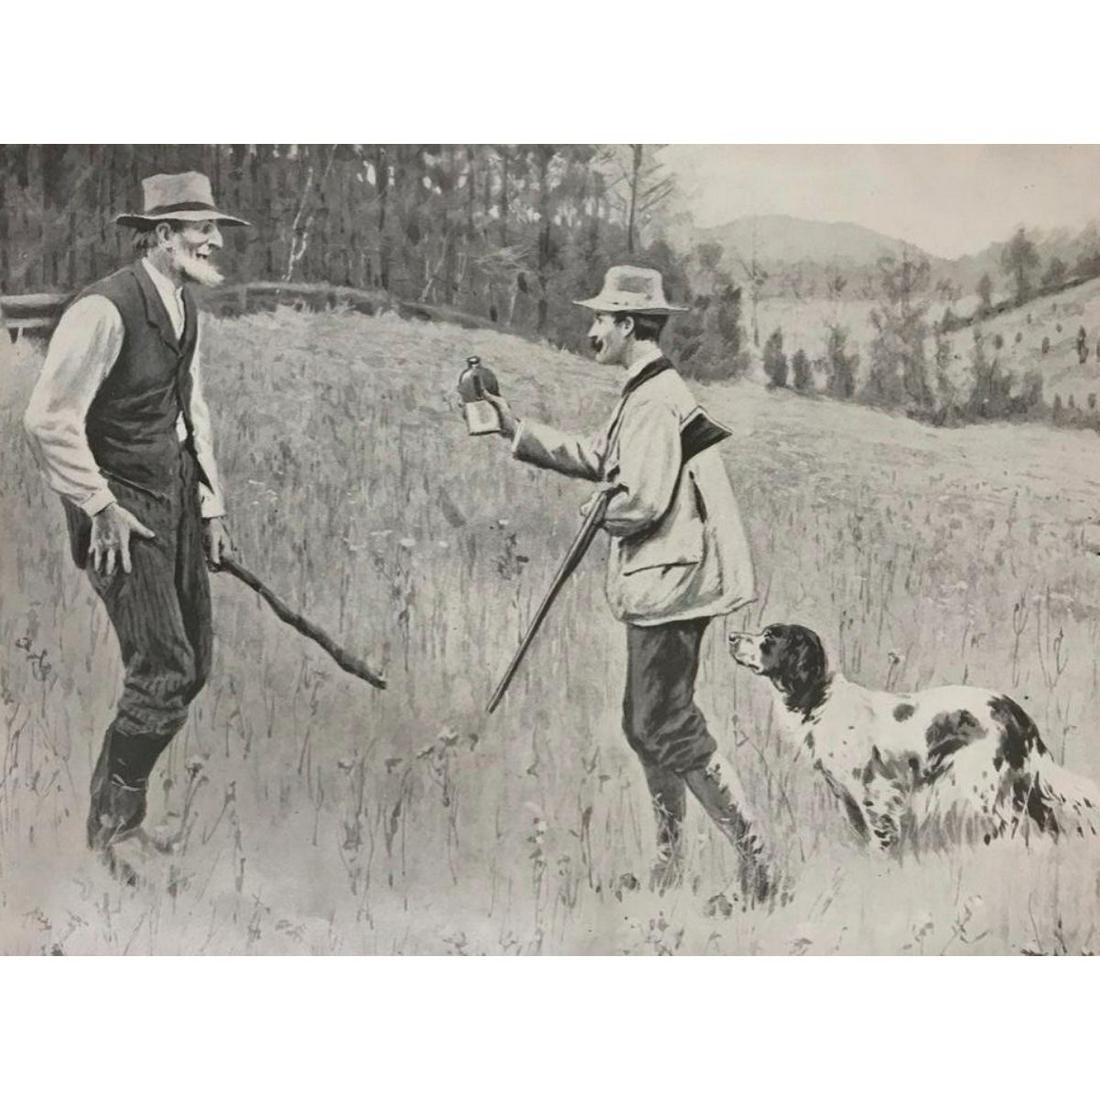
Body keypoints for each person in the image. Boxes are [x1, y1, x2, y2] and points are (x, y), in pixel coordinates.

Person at [484, 265, 774, 902]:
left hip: (674, 583)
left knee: (664, 725)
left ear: (628, 325)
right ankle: (670, 866)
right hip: (667, 582)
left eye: (601, 320)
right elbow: (601, 457)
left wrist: (599, 510)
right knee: (645, 725)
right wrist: (515, 429)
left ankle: (757, 862)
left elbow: (641, 499)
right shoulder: (643, 391)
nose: (592, 331)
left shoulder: (653, 400)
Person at [23, 171, 248, 869]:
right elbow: (48, 418)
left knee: (193, 664)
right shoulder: (103, 309)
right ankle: (113, 833)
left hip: (174, 498)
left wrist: (210, 505)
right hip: (120, 511)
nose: (215, 242)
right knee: (163, 668)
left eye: (215, 229)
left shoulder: (183, 307)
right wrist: (99, 505)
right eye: (202, 230)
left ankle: (119, 818)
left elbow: (189, 411)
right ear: (162, 235)